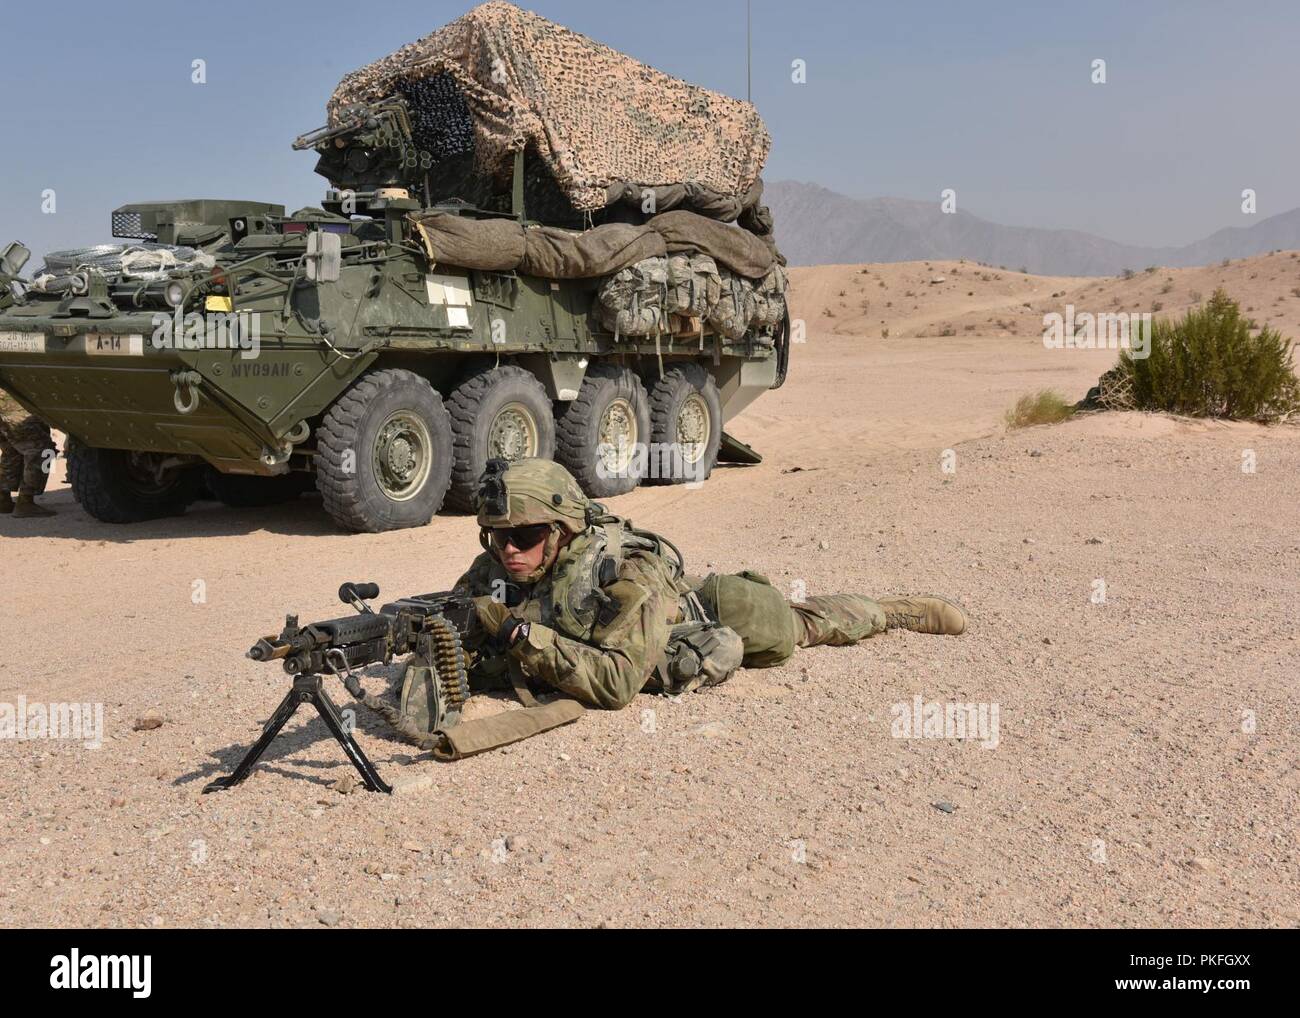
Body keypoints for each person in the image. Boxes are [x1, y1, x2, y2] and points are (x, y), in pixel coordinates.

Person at [453, 458, 965, 710]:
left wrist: (519, 637)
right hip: (616, 633)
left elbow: (616, 685)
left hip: (700, 611)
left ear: (564, 530)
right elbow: (456, 612)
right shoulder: (499, 562)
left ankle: (890, 611)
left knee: (798, 628)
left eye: (525, 535)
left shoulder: (627, 570)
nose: (509, 551)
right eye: (497, 538)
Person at [0, 390, 56, 518]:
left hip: (5, 405)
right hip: (13, 408)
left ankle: (3, 498)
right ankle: (26, 500)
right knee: (45, 451)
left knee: (12, 449)